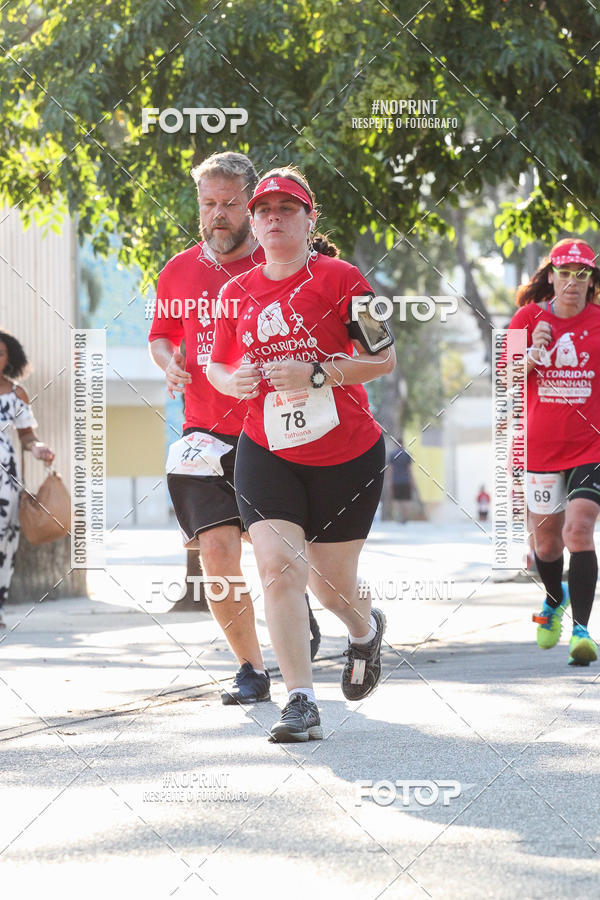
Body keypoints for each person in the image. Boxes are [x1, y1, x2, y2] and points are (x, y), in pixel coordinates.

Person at [208, 167, 396, 741]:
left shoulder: (345, 278)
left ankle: (363, 631)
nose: (273, 217)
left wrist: (317, 372)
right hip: (266, 449)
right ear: (254, 224)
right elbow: (216, 365)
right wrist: (230, 381)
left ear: (310, 220)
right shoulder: (232, 292)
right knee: (276, 566)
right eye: (263, 210)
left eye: (287, 208)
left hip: (347, 452)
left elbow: (383, 358)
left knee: (330, 582)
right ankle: (300, 699)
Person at [149, 152, 320, 705]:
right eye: (208, 204)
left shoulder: (280, 265)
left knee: (278, 554)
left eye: (228, 204)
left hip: (271, 432)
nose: (217, 215)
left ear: (250, 206)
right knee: (217, 553)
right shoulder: (177, 270)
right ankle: (250, 668)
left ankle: (297, 606)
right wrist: (168, 363)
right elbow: (162, 335)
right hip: (202, 433)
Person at [508, 238, 600, 665]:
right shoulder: (528, 318)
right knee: (546, 544)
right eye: (565, 273)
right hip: (540, 448)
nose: (573, 282)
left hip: (591, 446)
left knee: (577, 531)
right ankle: (552, 600)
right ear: (550, 277)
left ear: (590, 280)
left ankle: (582, 630)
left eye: (582, 274)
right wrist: (532, 353)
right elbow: (505, 378)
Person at [0, 332, 54, 629]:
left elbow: (27, 436)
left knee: (5, 540)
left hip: (5, 476)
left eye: (0, 353)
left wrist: (38, 448)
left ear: (10, 359)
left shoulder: (16, 394)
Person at [388, 443, 413, 523]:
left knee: (396, 500)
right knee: (406, 500)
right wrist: (412, 480)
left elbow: (390, 470)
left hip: (396, 480)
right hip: (406, 480)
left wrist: (389, 481)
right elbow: (409, 469)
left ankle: (398, 517)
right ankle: (405, 518)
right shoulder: (407, 454)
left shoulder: (392, 455)